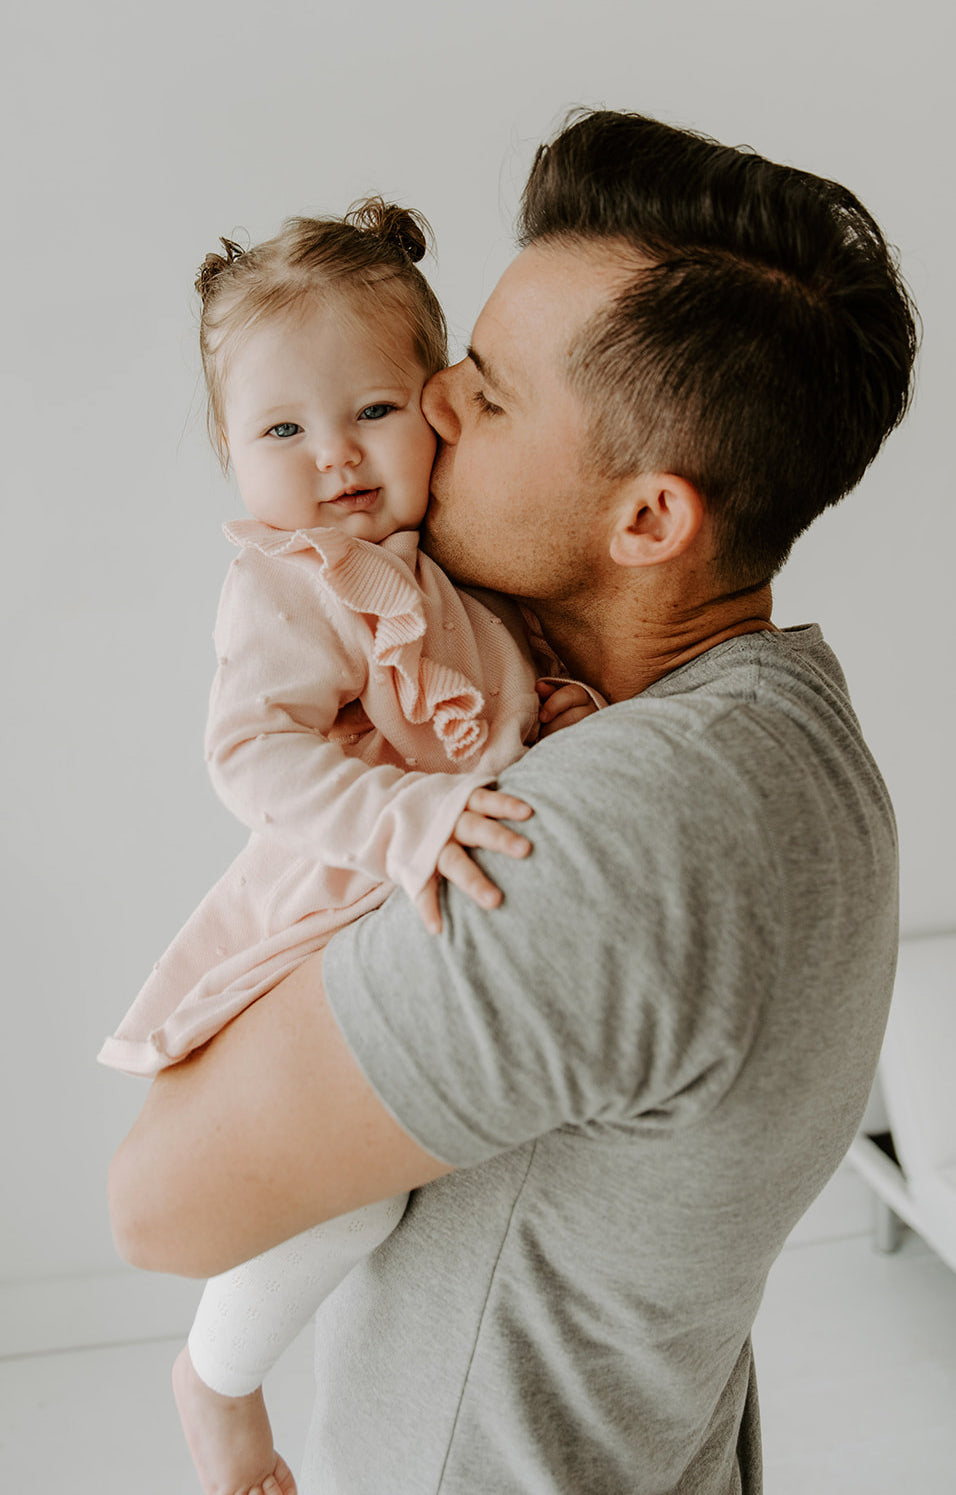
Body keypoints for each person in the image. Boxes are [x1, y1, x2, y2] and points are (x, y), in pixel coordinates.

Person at [107, 109, 918, 1494]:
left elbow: (158, 1206)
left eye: (480, 391)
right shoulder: (793, 729)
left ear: (650, 521)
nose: (423, 409)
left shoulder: (600, 842)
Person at [99, 198, 596, 1495]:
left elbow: (503, 693)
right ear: (227, 449)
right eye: (281, 429)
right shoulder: (292, 580)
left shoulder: (453, 565)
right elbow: (250, 758)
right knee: (353, 1197)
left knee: (434, 1197)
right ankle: (216, 1381)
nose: (334, 457)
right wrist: (404, 814)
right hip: (328, 916)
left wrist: (566, 718)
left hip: (437, 920)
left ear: (436, 408)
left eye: (370, 412)